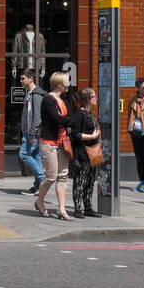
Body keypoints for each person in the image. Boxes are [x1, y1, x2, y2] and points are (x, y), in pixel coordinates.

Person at [34, 72, 73, 220]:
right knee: (51, 177)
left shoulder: (64, 101)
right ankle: (39, 201)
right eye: (66, 82)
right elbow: (57, 120)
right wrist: (65, 119)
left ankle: (61, 209)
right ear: (59, 84)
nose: (68, 85)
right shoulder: (48, 100)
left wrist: (65, 119)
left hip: (62, 142)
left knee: (63, 176)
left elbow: (70, 119)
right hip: (49, 142)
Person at [69, 87, 103, 218]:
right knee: (80, 181)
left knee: (90, 181)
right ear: (88, 99)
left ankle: (88, 207)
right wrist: (92, 137)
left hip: (93, 153)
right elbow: (76, 134)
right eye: (94, 97)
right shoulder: (80, 114)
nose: (96, 99)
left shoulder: (91, 114)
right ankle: (78, 208)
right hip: (82, 153)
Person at [17, 69, 47, 196]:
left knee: (23, 154)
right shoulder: (30, 93)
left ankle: (41, 179)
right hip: (30, 131)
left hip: (33, 133)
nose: (21, 81)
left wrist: (32, 134)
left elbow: (37, 116)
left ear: (31, 79)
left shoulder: (36, 95)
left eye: (23, 78)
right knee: (36, 157)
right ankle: (38, 186)